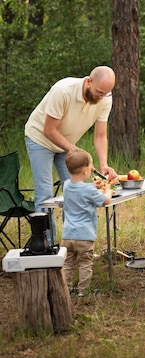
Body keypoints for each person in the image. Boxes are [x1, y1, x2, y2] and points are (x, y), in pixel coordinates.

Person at [25, 66, 117, 239]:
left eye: (106, 93)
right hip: (40, 139)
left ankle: (76, 244)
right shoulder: (63, 91)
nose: (102, 97)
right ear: (89, 81)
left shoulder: (105, 98)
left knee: (77, 191)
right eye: (99, 92)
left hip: (67, 143)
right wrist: (75, 150)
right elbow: (49, 130)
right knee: (45, 195)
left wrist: (103, 164)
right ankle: (47, 248)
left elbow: (100, 136)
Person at [61, 147, 112, 297]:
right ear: (85, 170)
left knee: (68, 264)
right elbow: (105, 200)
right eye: (90, 167)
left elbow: (79, 190)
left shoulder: (66, 185)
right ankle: (83, 291)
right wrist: (107, 189)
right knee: (85, 264)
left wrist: (92, 186)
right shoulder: (89, 191)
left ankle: (66, 289)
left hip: (68, 235)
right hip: (84, 236)